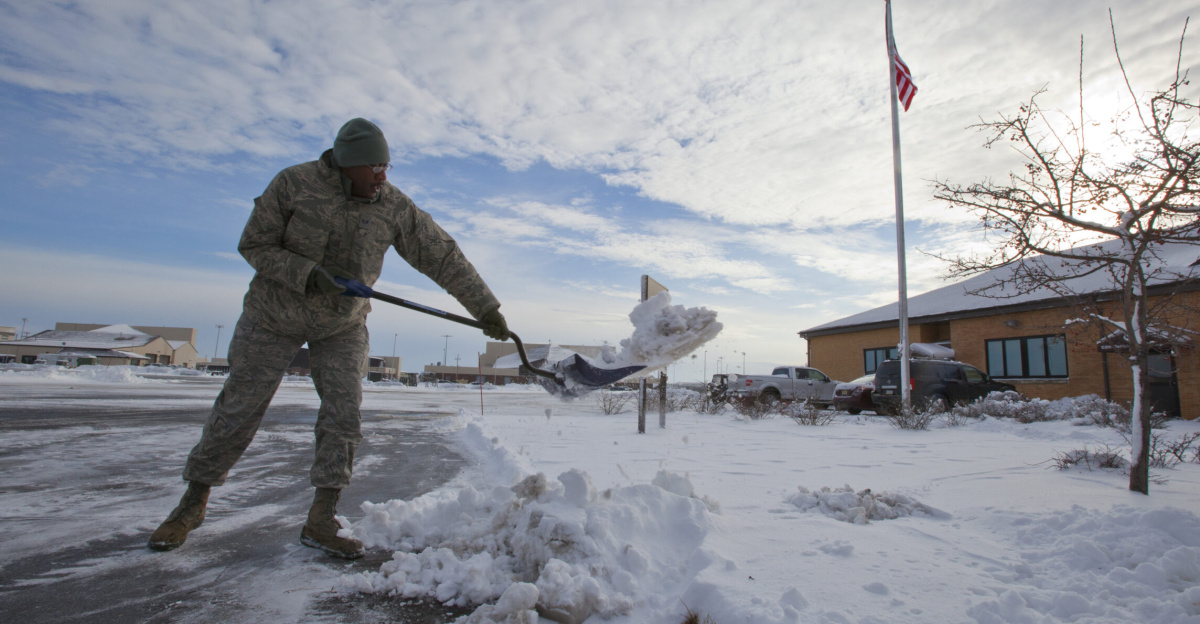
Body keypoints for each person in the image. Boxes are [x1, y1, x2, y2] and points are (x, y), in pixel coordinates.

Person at [148, 118, 509, 559]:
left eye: (386, 165)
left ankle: (322, 517)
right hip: (272, 316)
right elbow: (254, 245)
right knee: (239, 407)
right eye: (374, 166)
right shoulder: (294, 184)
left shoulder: (392, 205)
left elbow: (442, 254)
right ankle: (192, 503)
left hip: (341, 324)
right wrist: (308, 275)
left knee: (343, 414)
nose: (382, 175)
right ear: (346, 165)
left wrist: (486, 308)